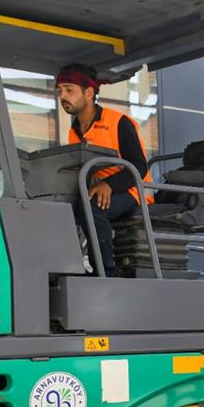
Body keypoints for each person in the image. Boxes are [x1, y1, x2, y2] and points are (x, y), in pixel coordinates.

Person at [55, 62, 153, 276]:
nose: (63, 95)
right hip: (99, 190)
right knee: (60, 207)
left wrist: (109, 185)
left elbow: (139, 165)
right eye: (60, 90)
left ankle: (105, 271)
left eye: (69, 90)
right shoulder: (74, 131)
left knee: (91, 206)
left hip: (132, 190)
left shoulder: (118, 122)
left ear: (89, 92)